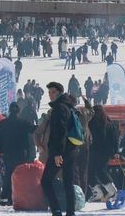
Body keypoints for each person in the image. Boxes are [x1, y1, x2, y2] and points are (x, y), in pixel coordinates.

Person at [41, 81, 78, 216]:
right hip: (72, 149)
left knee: (45, 181)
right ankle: (70, 212)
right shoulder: (70, 107)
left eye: (53, 92)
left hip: (61, 151)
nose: (51, 95)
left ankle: (56, 211)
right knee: (68, 182)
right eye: (49, 92)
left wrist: (57, 153)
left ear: (59, 93)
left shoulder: (59, 108)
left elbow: (60, 132)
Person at [0, 101, 36, 205]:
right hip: (21, 152)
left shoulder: (3, 123)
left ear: (9, 110)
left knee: (8, 175)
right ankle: (20, 196)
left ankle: (9, 196)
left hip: (7, 152)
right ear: (19, 111)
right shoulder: (23, 122)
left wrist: (0, 150)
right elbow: (34, 129)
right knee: (20, 174)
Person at [87, 105, 119, 202]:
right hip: (106, 152)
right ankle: (110, 190)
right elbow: (116, 138)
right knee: (101, 170)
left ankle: (98, 192)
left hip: (95, 151)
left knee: (91, 171)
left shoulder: (92, 123)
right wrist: (115, 151)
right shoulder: (109, 123)